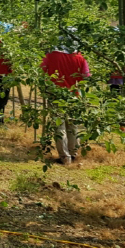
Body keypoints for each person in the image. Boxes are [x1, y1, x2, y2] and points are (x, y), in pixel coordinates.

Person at [41, 32, 90, 165]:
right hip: (74, 95)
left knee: (59, 126)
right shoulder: (80, 57)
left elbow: (41, 71)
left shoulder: (51, 56)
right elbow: (86, 76)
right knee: (73, 125)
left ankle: (64, 156)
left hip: (56, 95)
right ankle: (73, 154)